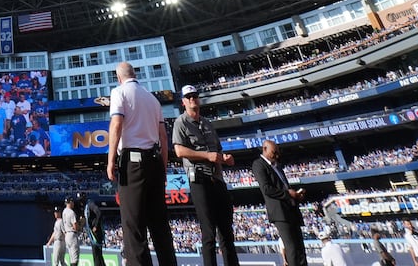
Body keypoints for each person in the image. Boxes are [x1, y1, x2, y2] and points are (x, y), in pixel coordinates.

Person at [106, 62, 177, 266]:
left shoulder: (119, 92)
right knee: (160, 226)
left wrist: (111, 160)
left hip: (133, 162)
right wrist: (163, 170)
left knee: (134, 226)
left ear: (119, 78)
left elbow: (117, 124)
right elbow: (163, 137)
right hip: (154, 161)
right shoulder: (152, 99)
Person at [171, 85, 240, 266]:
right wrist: (206, 156)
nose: (193, 99)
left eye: (195, 95)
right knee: (208, 233)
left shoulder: (207, 123)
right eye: (189, 97)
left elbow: (218, 150)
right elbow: (178, 151)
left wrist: (226, 159)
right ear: (183, 102)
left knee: (226, 232)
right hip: (199, 179)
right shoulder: (180, 122)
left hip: (217, 179)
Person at [254, 140, 307, 266]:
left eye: (277, 152)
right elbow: (267, 189)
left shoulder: (276, 165)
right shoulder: (258, 164)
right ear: (264, 149)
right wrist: (288, 194)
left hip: (291, 208)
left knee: (300, 247)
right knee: (292, 248)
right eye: (274, 152)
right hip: (280, 213)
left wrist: (295, 195)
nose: (276, 155)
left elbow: (284, 185)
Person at [83, 193, 106, 266]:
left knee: (96, 253)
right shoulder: (86, 206)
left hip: (96, 232)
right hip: (92, 231)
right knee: (98, 254)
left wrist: (96, 226)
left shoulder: (90, 204)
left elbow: (99, 212)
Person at [63, 196, 83, 266]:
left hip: (67, 235)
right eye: (72, 202)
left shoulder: (64, 211)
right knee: (75, 259)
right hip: (72, 234)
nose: (73, 203)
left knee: (71, 258)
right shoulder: (71, 212)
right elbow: (75, 227)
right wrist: (80, 225)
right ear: (70, 202)